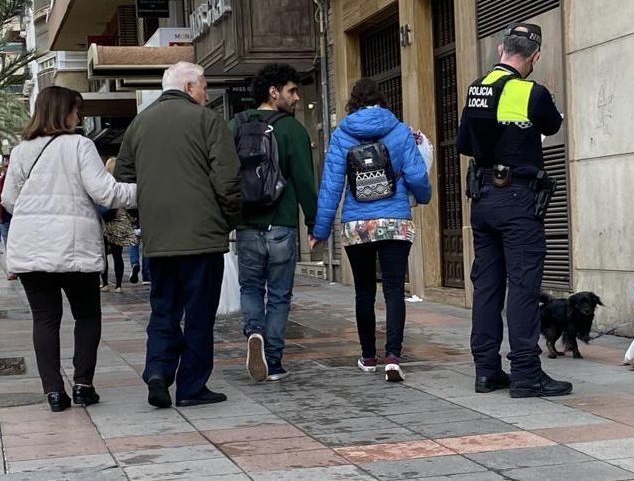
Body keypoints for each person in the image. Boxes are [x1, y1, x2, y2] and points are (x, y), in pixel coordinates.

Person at [1, 87, 136, 412]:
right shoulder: (79, 145)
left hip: (32, 248)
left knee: (45, 320)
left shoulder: (20, 151)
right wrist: (144, 190)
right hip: (74, 248)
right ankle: (82, 385)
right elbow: (105, 192)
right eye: (77, 111)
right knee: (87, 315)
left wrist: (36, 215)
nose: (80, 117)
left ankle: (53, 393)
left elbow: (8, 199)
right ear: (64, 112)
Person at [115, 62, 242, 408]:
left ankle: (157, 371)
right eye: (203, 87)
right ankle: (191, 387)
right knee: (199, 313)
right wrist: (227, 219)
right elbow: (227, 178)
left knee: (164, 309)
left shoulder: (139, 124)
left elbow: (124, 179)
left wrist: (149, 213)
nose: (206, 94)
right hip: (202, 237)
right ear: (189, 87)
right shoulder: (207, 121)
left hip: (158, 239)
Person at [456, 23, 568, 398]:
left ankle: (486, 371)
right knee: (523, 286)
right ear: (535, 56)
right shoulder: (532, 93)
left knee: (487, 287)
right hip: (518, 199)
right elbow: (552, 125)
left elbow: (463, 144)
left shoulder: (475, 90)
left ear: (502, 48)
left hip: (483, 198)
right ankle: (525, 373)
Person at [311, 78, 431, 382]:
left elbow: (331, 186)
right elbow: (417, 176)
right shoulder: (400, 131)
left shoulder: (341, 135)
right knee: (393, 289)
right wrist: (424, 196)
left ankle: (368, 356)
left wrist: (321, 229)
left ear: (353, 104)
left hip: (357, 225)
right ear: (383, 101)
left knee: (364, 291)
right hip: (394, 221)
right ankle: (393, 356)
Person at [231, 64, 317, 382]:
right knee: (279, 295)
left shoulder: (235, 125)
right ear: (274, 91)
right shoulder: (292, 130)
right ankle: (275, 360)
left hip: (246, 225)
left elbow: (224, 176)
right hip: (281, 225)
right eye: (292, 91)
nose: (296, 98)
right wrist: (315, 223)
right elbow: (306, 183)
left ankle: (255, 332)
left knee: (250, 287)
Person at [100, 157, 138, 294]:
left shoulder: (104, 182)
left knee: (103, 254)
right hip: (120, 221)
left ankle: (104, 284)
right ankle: (118, 285)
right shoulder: (122, 182)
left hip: (105, 222)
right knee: (118, 255)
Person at [0, 154, 16, 281]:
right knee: (7, 245)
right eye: (5, 165)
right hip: (4, 219)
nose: (7, 167)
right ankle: (12, 270)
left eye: (9, 165)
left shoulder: (19, 180)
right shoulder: (0, 181)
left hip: (18, 218)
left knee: (17, 244)